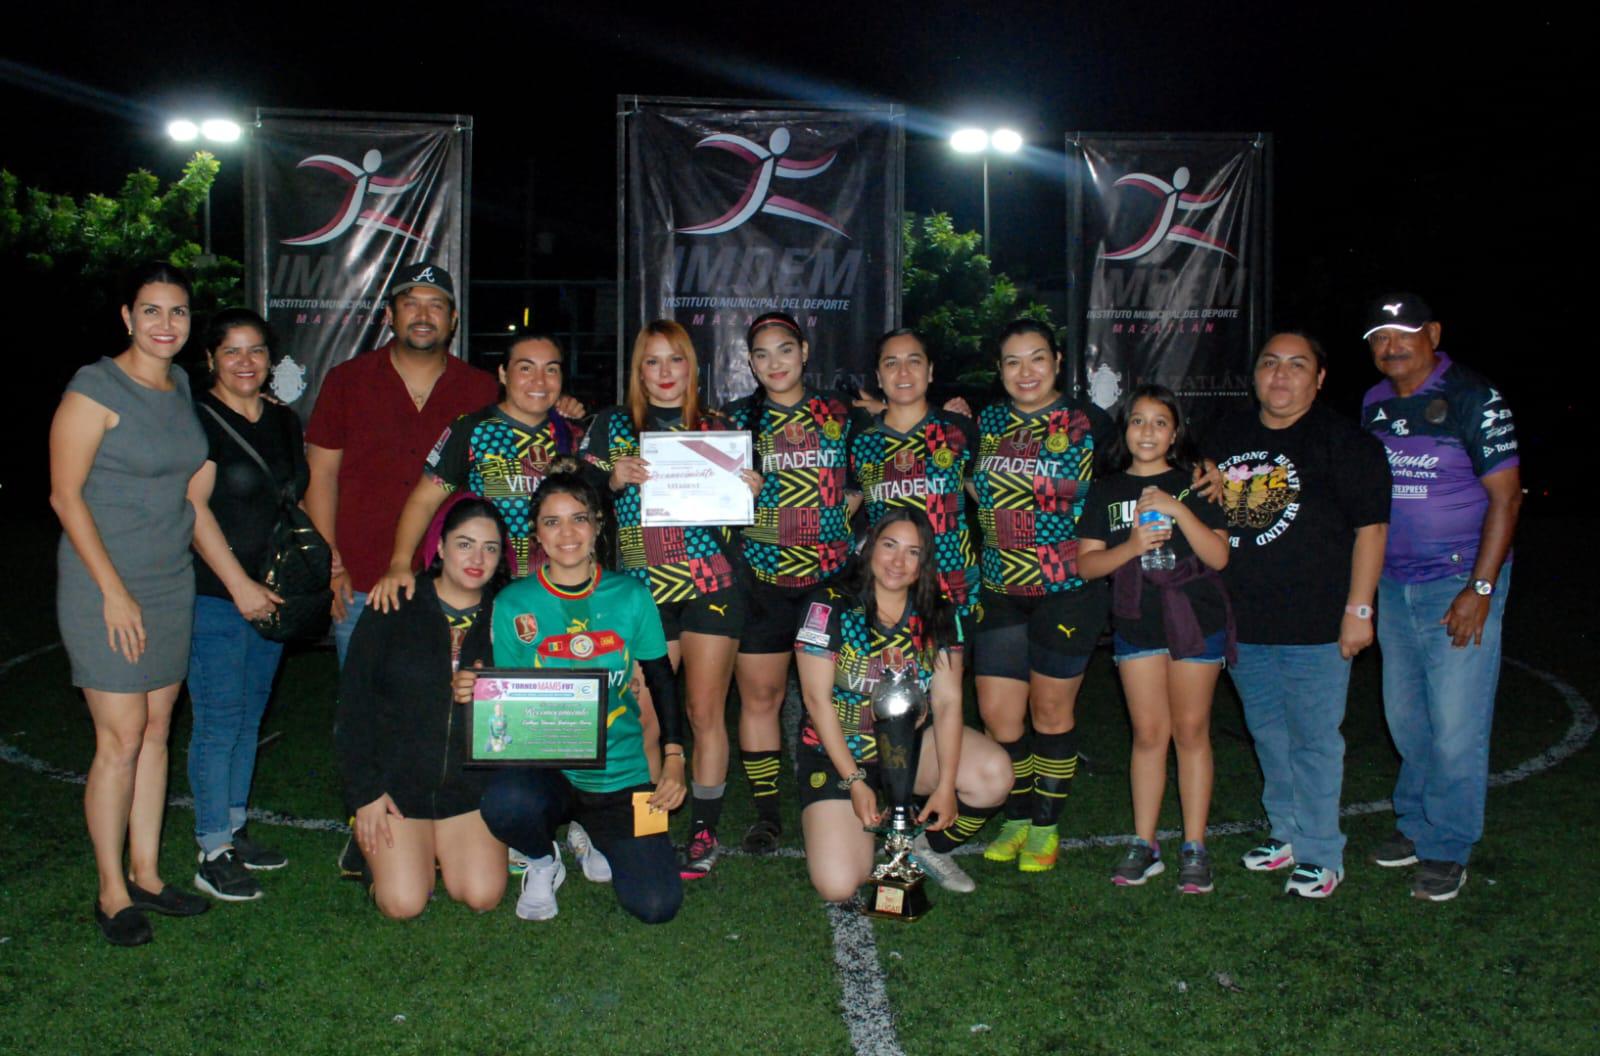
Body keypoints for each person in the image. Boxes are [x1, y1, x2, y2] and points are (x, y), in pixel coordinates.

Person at [50, 261, 211, 945]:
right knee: (117, 739)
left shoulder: (178, 385)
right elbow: (65, 495)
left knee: (155, 728)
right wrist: (113, 593)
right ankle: (111, 890)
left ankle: (147, 871)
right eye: (151, 311)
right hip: (103, 583)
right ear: (127, 316)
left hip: (170, 578)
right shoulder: (95, 386)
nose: (165, 324)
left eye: (177, 312)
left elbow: (191, 492)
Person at [1205, 332, 1390, 899]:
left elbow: (1372, 530)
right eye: (1269, 364)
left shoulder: (1344, 441)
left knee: (1313, 739)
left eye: (1296, 365)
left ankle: (1321, 853)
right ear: (1255, 374)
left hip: (1316, 624)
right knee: (1267, 733)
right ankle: (1285, 834)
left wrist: (1359, 609)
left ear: (1319, 377)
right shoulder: (1224, 434)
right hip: (1244, 621)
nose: (1280, 376)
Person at [579, 321, 761, 879]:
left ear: (691, 368)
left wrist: (751, 489)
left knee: (705, 712)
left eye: (674, 361)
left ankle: (704, 830)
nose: (664, 374)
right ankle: (650, 830)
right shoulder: (612, 425)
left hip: (710, 586)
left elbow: (745, 513)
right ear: (638, 371)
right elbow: (576, 496)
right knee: (645, 718)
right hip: (642, 592)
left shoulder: (720, 426)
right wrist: (611, 479)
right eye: (652, 362)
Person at [1360, 294, 1521, 902]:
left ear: (1432, 334)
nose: (1390, 347)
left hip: (1458, 581)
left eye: (1403, 334)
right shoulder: (1374, 404)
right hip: (1393, 581)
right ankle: (1416, 824)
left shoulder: (1473, 396)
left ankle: (1448, 845)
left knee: (1455, 723)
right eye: (1379, 337)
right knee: (1407, 717)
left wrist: (1479, 588)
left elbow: (1507, 499)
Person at [471, 471, 688, 923]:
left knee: (657, 905)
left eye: (579, 519)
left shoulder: (631, 594)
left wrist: (673, 756)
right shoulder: (513, 603)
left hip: (621, 774)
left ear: (598, 526)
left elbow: (662, 677)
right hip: (549, 769)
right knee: (504, 801)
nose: (566, 533)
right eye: (551, 522)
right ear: (536, 533)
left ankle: (593, 832)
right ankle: (542, 859)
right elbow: (509, 702)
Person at [795, 510, 1011, 900]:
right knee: (839, 884)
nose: (898, 561)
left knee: (993, 774)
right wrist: (855, 781)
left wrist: (945, 786)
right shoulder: (829, 604)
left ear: (923, 562)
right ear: (870, 547)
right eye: (890, 546)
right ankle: (847, 819)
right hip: (839, 754)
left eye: (913, 552)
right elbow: (816, 700)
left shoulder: (939, 613)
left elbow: (947, 703)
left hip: (910, 749)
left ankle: (925, 845)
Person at [969, 319, 1112, 873]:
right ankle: (1018, 816)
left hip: (1068, 589)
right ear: (999, 370)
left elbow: (1149, 460)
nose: (1024, 372)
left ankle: (1045, 829)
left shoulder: (1091, 424)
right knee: (1000, 718)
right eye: (1011, 361)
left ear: (1056, 360)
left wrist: (1203, 473)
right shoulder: (986, 423)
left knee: (1052, 714)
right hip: (1001, 588)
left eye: (1036, 359)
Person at [303, 262, 499, 665]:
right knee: (368, 708)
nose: (424, 316)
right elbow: (320, 474)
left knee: (451, 705)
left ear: (453, 320)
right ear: (390, 315)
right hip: (361, 576)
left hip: (455, 578)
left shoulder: (481, 389)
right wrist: (330, 564)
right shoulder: (347, 381)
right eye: (411, 305)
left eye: (436, 306)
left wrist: (563, 408)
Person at [1077, 385, 1232, 894]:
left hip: (1194, 620)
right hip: (1137, 623)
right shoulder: (1106, 488)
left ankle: (1194, 845)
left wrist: (1178, 507)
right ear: (1125, 431)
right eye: (1137, 421)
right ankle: (1145, 843)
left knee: (1191, 733)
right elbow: (1086, 564)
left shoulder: (1196, 484)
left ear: (1175, 431)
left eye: (1159, 422)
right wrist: (1133, 544)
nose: (1147, 431)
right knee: (1148, 736)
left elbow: (1219, 557)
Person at [334, 497, 512, 919]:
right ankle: (383, 853)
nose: (477, 558)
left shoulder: (507, 617)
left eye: (490, 548)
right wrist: (365, 794)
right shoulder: (394, 603)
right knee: (402, 903)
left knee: (482, 894)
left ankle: (435, 850)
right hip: (396, 789)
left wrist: (494, 688)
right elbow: (352, 707)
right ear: (440, 548)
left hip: (467, 791)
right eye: (464, 544)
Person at [722, 312, 859, 854]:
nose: (774, 363)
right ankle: (766, 813)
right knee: (762, 697)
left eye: (784, 350)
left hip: (830, 582)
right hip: (761, 580)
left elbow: (884, 464)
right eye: (761, 355)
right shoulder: (733, 420)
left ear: (804, 352)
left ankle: (849, 786)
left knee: (845, 694)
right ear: (750, 363)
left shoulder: (842, 414)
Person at [182, 308, 306, 901]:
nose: (245, 362)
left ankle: (234, 827)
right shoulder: (200, 418)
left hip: (271, 589)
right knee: (219, 719)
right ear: (210, 358)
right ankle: (212, 847)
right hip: (216, 593)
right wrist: (238, 586)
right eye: (232, 351)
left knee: (251, 715)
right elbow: (194, 508)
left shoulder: (283, 422)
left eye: (256, 350)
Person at [368, 330, 580, 608]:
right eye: (526, 368)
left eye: (551, 370)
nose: (539, 380)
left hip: (556, 590)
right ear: (503, 374)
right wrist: (399, 563)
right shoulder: (473, 429)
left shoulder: (573, 436)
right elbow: (424, 500)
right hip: (486, 588)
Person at [847, 329, 979, 619]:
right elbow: (842, 510)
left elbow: (993, 498)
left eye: (914, 361)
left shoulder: (959, 430)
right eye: (891, 363)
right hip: (886, 589)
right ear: (879, 377)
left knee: (950, 665)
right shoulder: (859, 438)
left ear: (930, 371)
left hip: (952, 588)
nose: (903, 371)